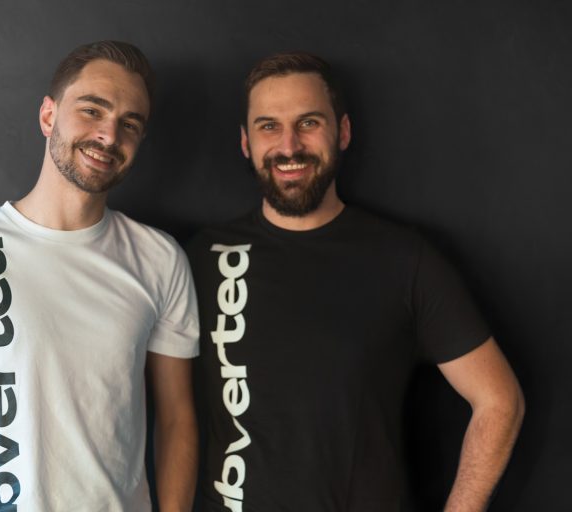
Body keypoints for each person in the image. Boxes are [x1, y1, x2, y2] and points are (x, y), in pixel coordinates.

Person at [187, 52, 525, 511]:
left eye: (308, 123)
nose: (289, 146)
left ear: (342, 132)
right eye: (268, 126)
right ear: (246, 143)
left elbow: (499, 400)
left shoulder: (404, 260)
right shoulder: (202, 257)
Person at [0, 40, 199, 512]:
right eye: (92, 110)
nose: (109, 135)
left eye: (130, 124)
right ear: (49, 116)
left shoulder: (160, 259)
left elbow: (176, 419)